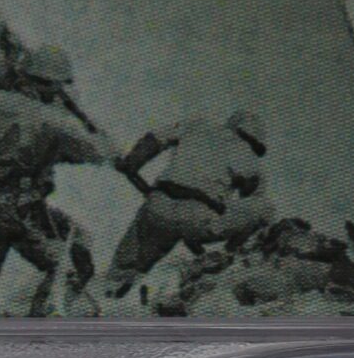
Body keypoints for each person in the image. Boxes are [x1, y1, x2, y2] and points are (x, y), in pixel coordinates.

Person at [0, 44, 116, 317]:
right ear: (50, 85)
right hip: (20, 209)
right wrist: (86, 121)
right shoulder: (54, 120)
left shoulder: (1, 100)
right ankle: (40, 319)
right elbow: (102, 153)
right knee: (73, 259)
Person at [101, 109, 273, 299]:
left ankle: (110, 290)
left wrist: (132, 162)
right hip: (198, 219)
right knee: (264, 208)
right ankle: (226, 257)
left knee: (126, 266)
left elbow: (154, 139)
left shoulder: (197, 125)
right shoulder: (248, 156)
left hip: (158, 206)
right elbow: (251, 195)